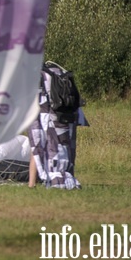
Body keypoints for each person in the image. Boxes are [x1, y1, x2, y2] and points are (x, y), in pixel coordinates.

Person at [27, 62, 87, 190]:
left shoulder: (38, 75)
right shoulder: (56, 72)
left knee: (37, 145)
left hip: (46, 111)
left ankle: (32, 183)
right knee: (67, 146)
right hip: (62, 113)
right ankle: (68, 174)